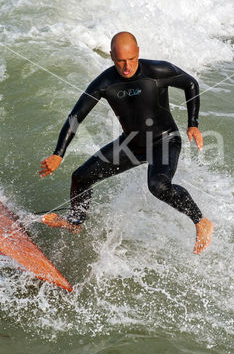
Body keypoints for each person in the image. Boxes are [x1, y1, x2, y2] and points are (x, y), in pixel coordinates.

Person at [39, 32, 213, 254]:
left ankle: (201, 222)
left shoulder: (158, 71)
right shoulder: (104, 82)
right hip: (131, 144)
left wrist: (193, 123)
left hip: (164, 140)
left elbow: (190, 83)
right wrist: (58, 153)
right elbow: (76, 116)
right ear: (112, 56)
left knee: (158, 186)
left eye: (131, 59)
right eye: (120, 61)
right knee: (81, 177)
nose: (127, 66)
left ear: (138, 52)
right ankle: (74, 223)